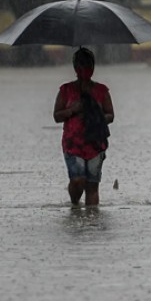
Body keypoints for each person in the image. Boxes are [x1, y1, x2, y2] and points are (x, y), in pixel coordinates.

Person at [53, 47, 114, 207]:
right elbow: (57, 116)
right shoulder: (66, 90)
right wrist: (72, 110)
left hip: (95, 143)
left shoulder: (101, 91)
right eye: (81, 66)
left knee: (92, 185)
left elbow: (111, 115)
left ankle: (91, 221)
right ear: (74, 68)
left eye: (88, 66)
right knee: (78, 179)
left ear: (93, 67)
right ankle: (74, 205)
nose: (84, 70)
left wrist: (95, 116)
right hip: (73, 143)